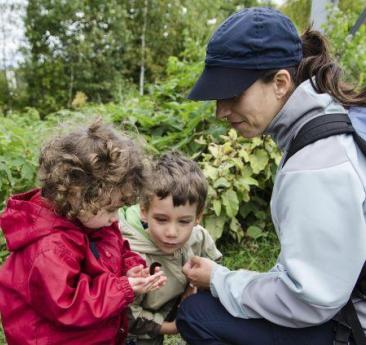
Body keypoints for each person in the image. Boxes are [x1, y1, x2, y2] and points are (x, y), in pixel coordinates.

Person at [176, 6, 366, 345]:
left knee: (197, 314)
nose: (221, 110)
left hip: (351, 324)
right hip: (346, 296)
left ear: (280, 82)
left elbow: (310, 299)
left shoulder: (316, 165)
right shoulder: (334, 117)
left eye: (232, 94)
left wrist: (221, 279)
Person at [0, 120, 166, 345]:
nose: (116, 218)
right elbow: (67, 305)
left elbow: (115, 249)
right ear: (76, 193)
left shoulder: (92, 218)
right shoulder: (49, 248)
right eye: (111, 209)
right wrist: (122, 288)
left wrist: (130, 268)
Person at [119, 151, 222, 345]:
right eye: (161, 219)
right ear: (144, 210)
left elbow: (217, 269)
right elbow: (126, 313)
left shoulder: (198, 237)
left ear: (198, 216)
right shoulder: (130, 254)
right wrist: (172, 327)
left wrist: (197, 286)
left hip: (170, 310)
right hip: (133, 334)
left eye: (184, 221)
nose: (172, 232)